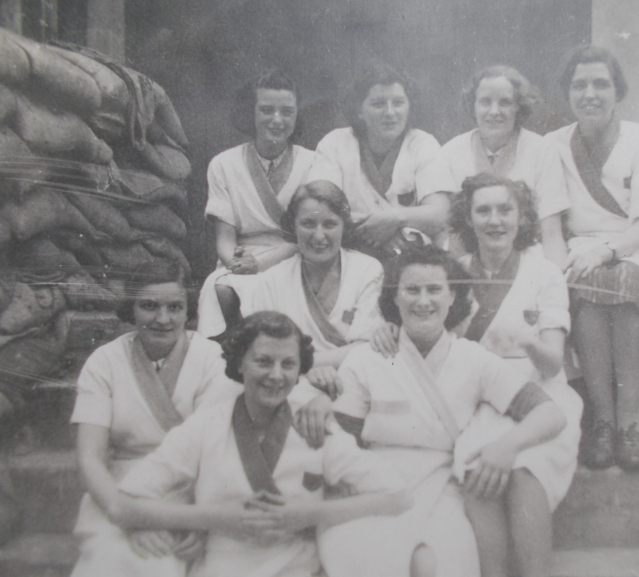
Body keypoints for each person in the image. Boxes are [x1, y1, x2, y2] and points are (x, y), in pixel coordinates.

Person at [371, 174, 583, 577]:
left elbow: (554, 362)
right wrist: (388, 329)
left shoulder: (546, 273)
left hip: (541, 396)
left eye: (505, 209)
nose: (495, 220)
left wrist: (527, 342)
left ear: (523, 218)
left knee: (524, 471)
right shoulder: (453, 270)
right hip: (477, 398)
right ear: (468, 218)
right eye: (482, 210)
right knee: (477, 471)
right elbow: (423, 323)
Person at [323, 246, 567, 577]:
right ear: (394, 298)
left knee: (442, 561)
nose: (423, 301)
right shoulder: (366, 359)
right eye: (412, 290)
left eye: (434, 289)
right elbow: (340, 438)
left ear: (452, 296)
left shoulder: (473, 359)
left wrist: (506, 445)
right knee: (369, 557)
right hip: (372, 485)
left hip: (442, 490)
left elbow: (550, 414)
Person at [113, 311, 411, 577]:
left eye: (289, 364)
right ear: (240, 363)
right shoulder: (206, 426)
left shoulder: (313, 427)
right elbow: (127, 499)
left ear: (300, 371)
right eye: (263, 362)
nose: (276, 375)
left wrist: (309, 515)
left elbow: (398, 494)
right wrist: (215, 518)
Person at [544, 45, 639, 470]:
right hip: (580, 248)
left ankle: (630, 423)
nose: (590, 94)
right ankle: (602, 422)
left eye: (601, 84)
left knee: (625, 277)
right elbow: (551, 223)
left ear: (617, 90)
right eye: (579, 85)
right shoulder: (553, 145)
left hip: (636, 247)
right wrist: (560, 267)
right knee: (586, 278)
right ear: (567, 93)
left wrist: (610, 251)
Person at [69, 260, 243, 577]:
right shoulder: (104, 362)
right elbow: (90, 457)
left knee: (165, 563)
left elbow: (215, 456)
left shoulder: (211, 360)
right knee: (110, 558)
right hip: (118, 494)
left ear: (187, 309)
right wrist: (127, 515)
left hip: (190, 492)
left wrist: (200, 522)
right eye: (149, 306)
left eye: (175, 307)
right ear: (131, 308)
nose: (163, 319)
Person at [216, 180, 383, 398]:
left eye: (330, 224)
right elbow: (263, 352)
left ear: (344, 225)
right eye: (308, 223)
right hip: (289, 387)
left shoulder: (367, 270)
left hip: (351, 384)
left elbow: (366, 348)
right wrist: (308, 374)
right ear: (293, 225)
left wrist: (306, 364)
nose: (319, 236)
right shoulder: (272, 281)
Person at [198, 68, 314, 338]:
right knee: (222, 290)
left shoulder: (314, 163)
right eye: (266, 110)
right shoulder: (223, 164)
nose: (277, 120)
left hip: (293, 255)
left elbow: (305, 238)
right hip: (240, 257)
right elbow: (225, 237)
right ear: (251, 112)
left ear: (297, 115)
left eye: (287, 112)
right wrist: (236, 263)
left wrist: (260, 266)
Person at [416, 65, 570, 263]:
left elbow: (552, 234)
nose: (494, 111)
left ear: (518, 106)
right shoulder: (451, 151)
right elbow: (445, 231)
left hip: (527, 261)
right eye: (485, 102)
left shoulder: (542, 150)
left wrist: (555, 283)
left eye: (505, 102)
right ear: (473, 106)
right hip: (467, 261)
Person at [307, 62, 445, 259]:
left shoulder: (423, 144)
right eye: (378, 104)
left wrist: (393, 220)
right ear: (359, 110)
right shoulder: (335, 143)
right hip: (349, 253)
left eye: (398, 103)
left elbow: (439, 214)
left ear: (409, 106)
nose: (390, 112)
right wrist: (380, 233)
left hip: (410, 255)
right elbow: (320, 208)